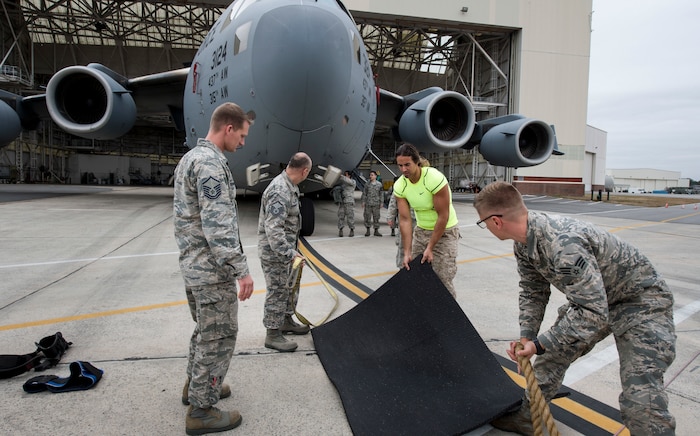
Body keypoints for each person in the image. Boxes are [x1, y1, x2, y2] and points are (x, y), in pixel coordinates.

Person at [474, 181, 676, 436]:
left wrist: (539, 343)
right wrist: (528, 337)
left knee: (641, 397)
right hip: (595, 301)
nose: (486, 227)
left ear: (496, 221)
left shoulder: (562, 244)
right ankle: (529, 416)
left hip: (640, 303)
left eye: (483, 222)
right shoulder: (523, 243)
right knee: (551, 356)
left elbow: (593, 313)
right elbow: (533, 290)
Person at [173, 102, 255, 435]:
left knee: (204, 331)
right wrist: (242, 270)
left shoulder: (191, 157)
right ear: (228, 128)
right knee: (218, 337)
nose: (243, 143)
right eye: (243, 136)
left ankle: (195, 385)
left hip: (194, 268)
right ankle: (202, 410)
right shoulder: (209, 164)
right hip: (211, 272)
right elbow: (217, 226)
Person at [258, 152, 313, 352]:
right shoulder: (280, 190)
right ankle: (272, 334)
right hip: (276, 253)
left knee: (289, 288)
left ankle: (286, 320)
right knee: (278, 290)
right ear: (305, 171)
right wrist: (290, 254)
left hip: (287, 250)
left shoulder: (290, 187)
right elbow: (274, 230)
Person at [393, 143, 460, 297]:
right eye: (400, 165)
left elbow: (443, 216)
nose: (403, 170)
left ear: (417, 162)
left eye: (407, 165)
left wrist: (430, 247)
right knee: (415, 274)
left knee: (442, 278)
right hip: (422, 231)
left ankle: (447, 316)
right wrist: (407, 252)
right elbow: (405, 219)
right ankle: (423, 314)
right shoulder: (400, 186)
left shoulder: (433, 178)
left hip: (445, 232)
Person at [362, 170, 384, 236]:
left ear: (375, 176)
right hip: (368, 203)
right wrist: (363, 201)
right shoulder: (367, 184)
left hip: (376, 203)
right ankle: (368, 230)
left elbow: (381, 194)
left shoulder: (379, 184)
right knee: (367, 217)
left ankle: (376, 230)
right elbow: (364, 193)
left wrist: (381, 202)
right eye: (370, 175)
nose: (370, 176)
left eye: (372, 175)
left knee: (376, 217)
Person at [336, 170, 356, 237]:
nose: (345, 176)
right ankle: (340, 230)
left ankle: (352, 230)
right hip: (343, 202)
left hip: (349, 201)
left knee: (350, 216)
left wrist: (340, 175)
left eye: (346, 174)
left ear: (349, 175)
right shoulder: (343, 184)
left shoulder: (352, 182)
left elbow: (348, 181)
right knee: (341, 216)